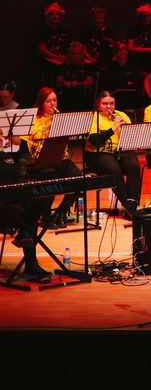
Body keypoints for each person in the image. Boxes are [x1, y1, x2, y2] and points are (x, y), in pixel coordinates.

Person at [0, 129, 52, 281]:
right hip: (2, 198)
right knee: (24, 215)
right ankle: (30, 264)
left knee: (37, 200)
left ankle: (23, 237)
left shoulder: (6, 150)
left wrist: (16, 141)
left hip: (14, 195)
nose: (2, 137)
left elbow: (25, 157)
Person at [26, 88, 81, 228]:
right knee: (51, 180)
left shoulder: (61, 119)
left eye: (54, 100)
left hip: (62, 158)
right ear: (41, 103)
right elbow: (27, 146)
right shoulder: (32, 120)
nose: (52, 104)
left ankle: (61, 213)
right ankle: (45, 215)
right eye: (48, 101)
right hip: (41, 160)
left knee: (78, 178)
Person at [84, 91, 141, 216]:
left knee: (134, 165)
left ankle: (132, 203)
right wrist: (113, 128)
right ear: (98, 104)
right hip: (97, 153)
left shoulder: (122, 115)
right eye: (105, 104)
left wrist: (127, 130)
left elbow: (132, 139)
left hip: (119, 151)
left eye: (111, 103)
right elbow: (94, 141)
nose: (109, 107)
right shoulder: (92, 117)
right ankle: (129, 207)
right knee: (115, 170)